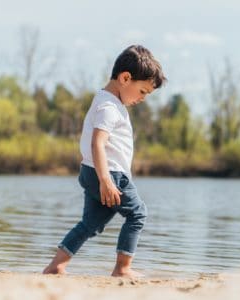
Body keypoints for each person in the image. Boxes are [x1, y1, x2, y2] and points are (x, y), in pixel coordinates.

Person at [43, 45, 166, 278]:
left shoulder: (107, 101)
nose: (142, 99)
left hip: (93, 172)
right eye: (142, 91)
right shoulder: (109, 106)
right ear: (125, 78)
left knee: (90, 224)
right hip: (109, 173)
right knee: (138, 213)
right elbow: (97, 143)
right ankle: (123, 269)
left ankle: (56, 266)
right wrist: (106, 180)